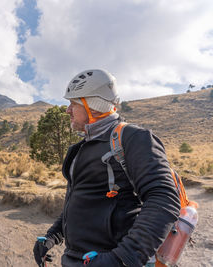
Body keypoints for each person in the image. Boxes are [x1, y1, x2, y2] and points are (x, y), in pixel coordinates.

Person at [33, 69, 181, 267]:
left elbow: (164, 198)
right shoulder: (80, 149)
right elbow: (81, 200)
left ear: (93, 106)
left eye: (74, 103)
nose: (67, 110)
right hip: (77, 259)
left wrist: (122, 259)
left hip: (109, 258)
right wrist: (53, 236)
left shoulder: (133, 138)